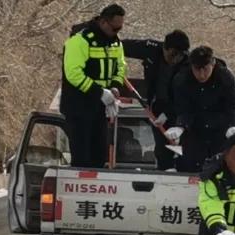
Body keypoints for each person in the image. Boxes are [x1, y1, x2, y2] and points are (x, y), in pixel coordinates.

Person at [59, 4, 127, 168]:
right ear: (103, 22)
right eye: (114, 28)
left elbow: (121, 67)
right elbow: (73, 73)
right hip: (79, 107)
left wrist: (115, 87)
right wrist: (100, 93)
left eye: (120, 28)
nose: (117, 32)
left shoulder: (115, 43)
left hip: (99, 107)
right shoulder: (80, 40)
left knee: (98, 157)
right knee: (82, 158)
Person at [123, 30, 190, 170]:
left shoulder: (188, 64)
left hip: (178, 111)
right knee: (162, 150)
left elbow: (187, 97)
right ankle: (164, 170)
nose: (175, 59)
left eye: (180, 56)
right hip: (157, 107)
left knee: (183, 150)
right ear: (165, 48)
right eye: (173, 54)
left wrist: (171, 114)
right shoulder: (151, 49)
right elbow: (122, 46)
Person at [166, 46, 235, 172]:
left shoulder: (225, 77)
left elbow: (232, 104)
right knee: (192, 168)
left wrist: (232, 125)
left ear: (213, 64)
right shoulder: (181, 79)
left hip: (220, 131)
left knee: (220, 169)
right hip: (194, 131)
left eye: (205, 69)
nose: (201, 75)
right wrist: (180, 125)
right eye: (197, 70)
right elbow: (182, 108)